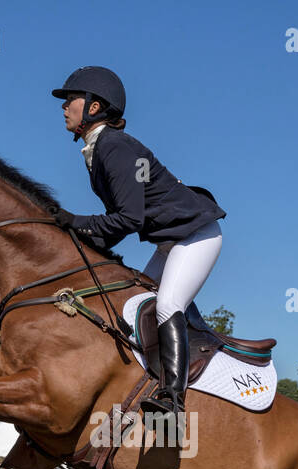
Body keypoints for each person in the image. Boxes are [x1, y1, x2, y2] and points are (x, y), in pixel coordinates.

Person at [48, 66, 226, 426]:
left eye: (71, 100)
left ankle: (173, 404)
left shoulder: (114, 147)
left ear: (94, 107)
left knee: (166, 305)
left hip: (196, 236)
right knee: (133, 307)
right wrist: (75, 237)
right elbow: (118, 222)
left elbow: (128, 219)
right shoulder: (100, 149)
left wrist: (74, 222)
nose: (64, 107)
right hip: (171, 242)